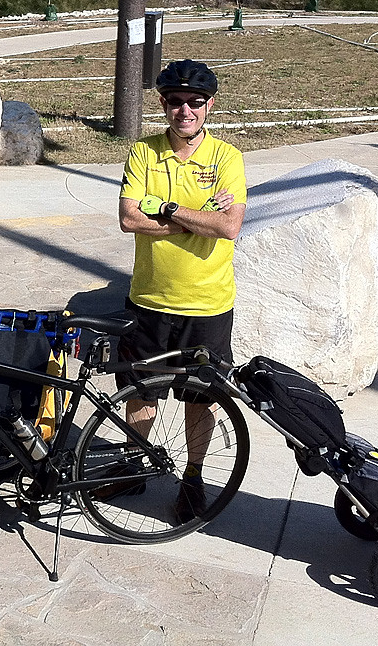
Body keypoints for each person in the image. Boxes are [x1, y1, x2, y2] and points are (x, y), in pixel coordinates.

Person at [116, 58, 247, 522]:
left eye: (195, 102)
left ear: (210, 105)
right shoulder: (143, 152)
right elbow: (130, 219)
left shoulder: (227, 158)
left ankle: (192, 478)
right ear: (163, 104)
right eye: (176, 102)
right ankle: (134, 463)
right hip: (149, 298)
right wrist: (196, 219)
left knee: (199, 398)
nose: (185, 110)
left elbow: (229, 227)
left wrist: (166, 209)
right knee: (140, 391)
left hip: (207, 305)